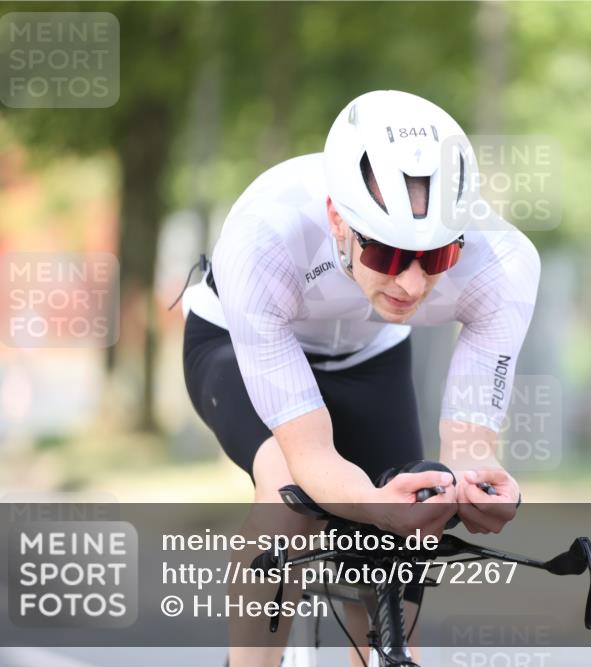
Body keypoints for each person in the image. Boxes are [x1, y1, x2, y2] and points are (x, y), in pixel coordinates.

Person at [181, 90, 540, 667]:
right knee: (289, 494)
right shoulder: (264, 236)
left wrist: (477, 489)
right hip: (234, 343)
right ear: (337, 219)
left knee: (408, 521)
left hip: (369, 357)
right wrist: (370, 504)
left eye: (436, 257)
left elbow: (470, 449)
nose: (412, 283)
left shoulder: (502, 263)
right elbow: (311, 456)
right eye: (389, 255)